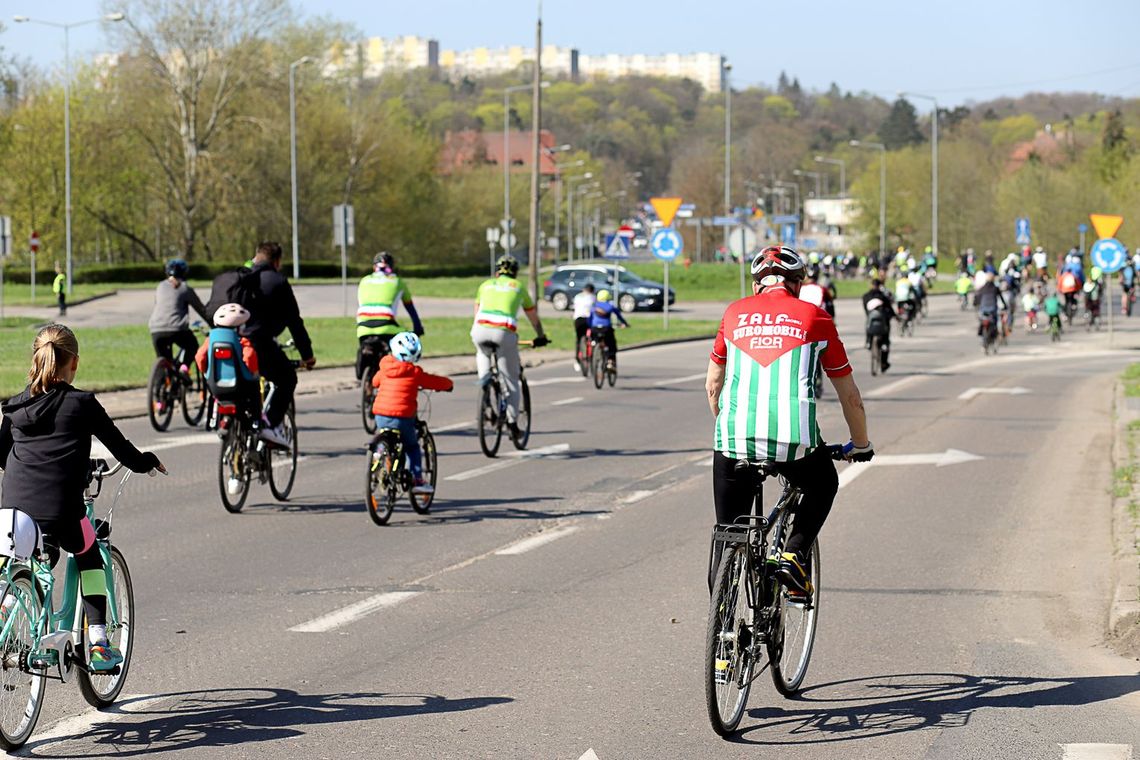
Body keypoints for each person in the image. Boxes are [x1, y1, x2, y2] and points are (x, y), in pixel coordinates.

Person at [705, 245, 874, 596]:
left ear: (756, 286)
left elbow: (712, 386)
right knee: (823, 483)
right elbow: (850, 396)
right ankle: (792, 555)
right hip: (792, 441)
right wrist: (860, 445)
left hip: (732, 439)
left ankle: (723, 629)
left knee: (727, 530)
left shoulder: (733, 313)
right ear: (798, 285)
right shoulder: (815, 317)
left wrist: (728, 428)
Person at [0, 325, 165, 670]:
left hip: (12, 513)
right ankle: (99, 642)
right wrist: (146, 462)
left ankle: (6, 609)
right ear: (73, 363)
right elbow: (121, 448)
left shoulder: (14, 407)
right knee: (90, 554)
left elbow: (3, 455)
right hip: (61, 511)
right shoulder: (82, 403)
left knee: (20, 557)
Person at [209, 242, 316, 448]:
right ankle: (270, 426)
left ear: (256, 256)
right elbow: (294, 322)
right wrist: (307, 355)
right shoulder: (277, 281)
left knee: (241, 385)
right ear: (277, 261)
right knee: (286, 378)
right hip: (259, 346)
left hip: (228, 342)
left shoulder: (236, 278)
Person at [471, 256, 549, 439]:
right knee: (512, 380)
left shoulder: (485, 285)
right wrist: (541, 336)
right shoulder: (518, 287)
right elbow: (533, 317)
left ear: (497, 272)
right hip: (503, 332)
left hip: (479, 329)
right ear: (514, 272)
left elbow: (477, 311)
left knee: (482, 353)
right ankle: (512, 424)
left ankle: (485, 390)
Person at [371, 332, 453, 494]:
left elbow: (375, 382)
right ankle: (417, 480)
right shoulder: (414, 373)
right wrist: (448, 384)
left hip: (380, 414)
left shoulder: (385, 368)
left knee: (387, 436)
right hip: (403, 417)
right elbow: (434, 381)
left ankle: (380, 452)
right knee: (412, 447)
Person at [356, 252, 424, 380]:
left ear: (373, 267)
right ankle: (402, 378)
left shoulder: (364, 281)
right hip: (386, 326)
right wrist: (417, 328)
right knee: (404, 343)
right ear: (392, 267)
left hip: (363, 327)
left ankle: (367, 383)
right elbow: (411, 309)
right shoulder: (398, 282)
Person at [148, 258, 211, 372]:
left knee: (165, 361)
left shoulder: (160, 286)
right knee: (192, 346)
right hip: (177, 328)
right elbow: (201, 310)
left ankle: (162, 380)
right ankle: (184, 369)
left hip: (155, 329)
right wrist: (213, 324)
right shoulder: (185, 288)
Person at [589, 289, 630, 368]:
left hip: (595, 328)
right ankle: (610, 361)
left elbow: (590, 318)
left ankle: (594, 343)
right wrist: (625, 323)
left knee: (594, 337)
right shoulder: (610, 306)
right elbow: (619, 316)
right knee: (612, 344)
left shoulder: (594, 306)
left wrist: (591, 326)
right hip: (606, 328)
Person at [863, 279, 897, 371]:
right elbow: (889, 308)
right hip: (883, 323)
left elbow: (865, 308)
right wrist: (895, 316)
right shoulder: (882, 296)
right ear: (879, 286)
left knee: (867, 327)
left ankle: (868, 342)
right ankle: (883, 362)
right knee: (886, 338)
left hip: (871, 321)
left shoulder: (866, 296)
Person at [572, 283, 597, 373]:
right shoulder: (593, 297)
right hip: (588, 319)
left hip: (577, 319)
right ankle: (593, 343)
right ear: (592, 290)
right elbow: (595, 309)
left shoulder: (577, 296)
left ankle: (577, 360)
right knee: (594, 334)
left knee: (578, 339)